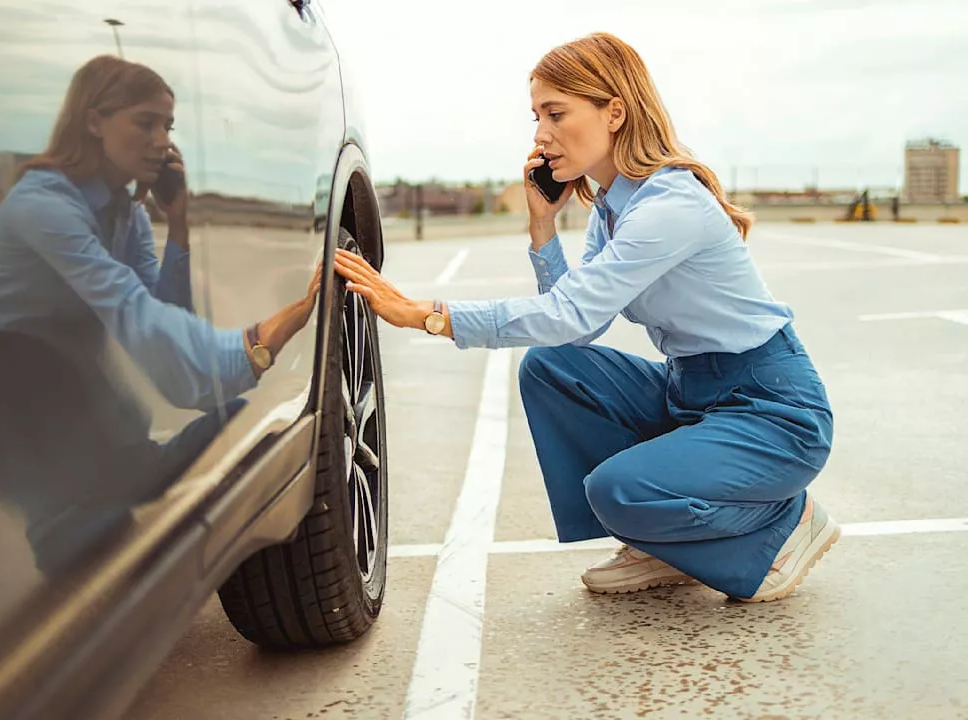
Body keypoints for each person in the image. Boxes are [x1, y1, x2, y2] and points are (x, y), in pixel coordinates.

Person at [333, 33, 837, 603]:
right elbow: (580, 328)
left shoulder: (670, 205)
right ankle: (660, 544)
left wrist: (427, 315)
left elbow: (570, 312)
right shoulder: (614, 206)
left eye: (556, 113)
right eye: (536, 116)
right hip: (692, 392)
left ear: (614, 111)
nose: (540, 135)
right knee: (550, 367)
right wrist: (543, 227)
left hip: (771, 410)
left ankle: (783, 523)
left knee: (615, 490)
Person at [0, 55, 320, 575]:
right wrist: (248, 350)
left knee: (113, 477)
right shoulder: (44, 204)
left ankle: (123, 472)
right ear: (94, 121)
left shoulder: (125, 215)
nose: (162, 141)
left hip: (44, 369)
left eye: (167, 126)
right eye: (145, 122)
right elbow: (130, 308)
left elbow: (162, 318)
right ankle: (81, 504)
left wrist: (180, 222)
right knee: (61, 517)